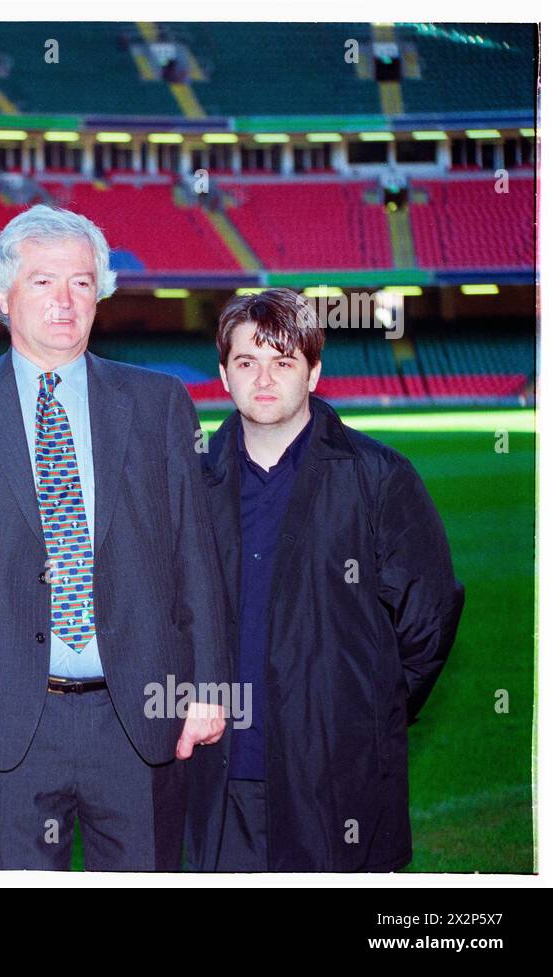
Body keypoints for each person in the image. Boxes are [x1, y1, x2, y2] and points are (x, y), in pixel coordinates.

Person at [0, 205, 231, 870]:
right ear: (4, 294)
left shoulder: (159, 403)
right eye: (45, 282)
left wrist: (210, 688)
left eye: (82, 283)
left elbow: (196, 556)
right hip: (4, 719)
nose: (66, 301)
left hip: (138, 716)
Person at [185, 288, 464, 872]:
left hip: (336, 782)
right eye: (247, 362)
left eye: (283, 361)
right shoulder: (190, 485)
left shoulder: (377, 478)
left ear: (313, 372)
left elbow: (428, 619)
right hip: (220, 777)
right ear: (223, 375)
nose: (264, 379)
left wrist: (361, 711)